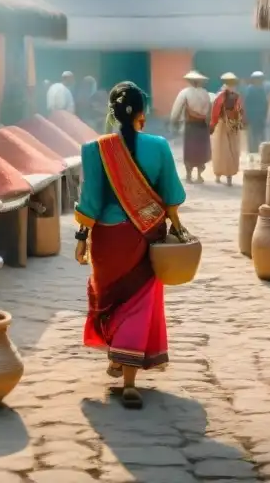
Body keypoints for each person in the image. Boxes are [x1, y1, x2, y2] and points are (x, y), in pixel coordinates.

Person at [73, 82, 187, 409]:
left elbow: (90, 200)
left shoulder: (96, 149)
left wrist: (81, 238)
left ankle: (116, 356)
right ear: (142, 113)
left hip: (107, 239)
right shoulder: (160, 147)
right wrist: (177, 228)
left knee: (110, 298)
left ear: (111, 112)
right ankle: (130, 383)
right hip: (145, 234)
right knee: (139, 303)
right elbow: (171, 197)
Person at [169, 70, 212, 182]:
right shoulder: (206, 94)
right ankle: (199, 175)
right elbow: (209, 112)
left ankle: (189, 175)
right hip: (202, 126)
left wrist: (173, 121)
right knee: (201, 150)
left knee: (190, 150)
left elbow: (177, 109)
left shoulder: (185, 92)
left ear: (190, 81)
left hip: (190, 125)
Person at [209, 73, 246, 185]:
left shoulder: (219, 96)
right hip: (233, 126)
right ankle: (229, 176)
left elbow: (215, 113)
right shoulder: (238, 96)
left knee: (220, 150)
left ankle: (218, 175)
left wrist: (212, 125)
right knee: (232, 150)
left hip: (222, 125)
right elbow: (241, 111)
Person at [244, 71, 268, 156]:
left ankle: (261, 152)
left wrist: (265, 114)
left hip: (261, 115)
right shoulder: (249, 89)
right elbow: (246, 103)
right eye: (258, 79)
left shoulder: (262, 89)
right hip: (252, 116)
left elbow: (265, 103)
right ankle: (253, 153)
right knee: (253, 135)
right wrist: (245, 116)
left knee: (261, 135)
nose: (260, 81)